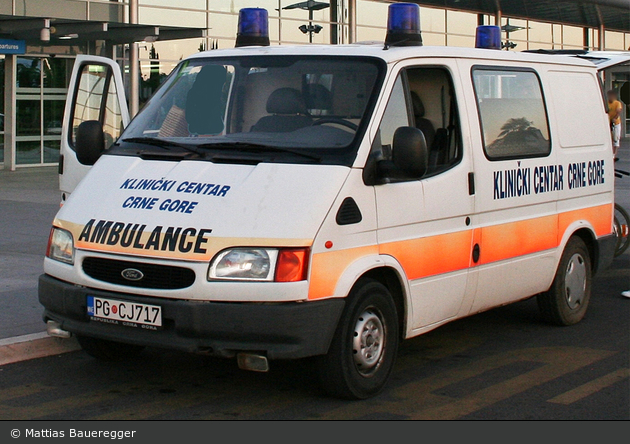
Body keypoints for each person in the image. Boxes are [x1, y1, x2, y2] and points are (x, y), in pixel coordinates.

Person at [607, 90, 623, 160]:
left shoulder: (617, 103)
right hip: (608, 123)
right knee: (609, 138)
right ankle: (609, 153)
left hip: (615, 123)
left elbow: (618, 111)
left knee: (616, 138)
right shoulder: (607, 103)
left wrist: (614, 118)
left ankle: (614, 155)